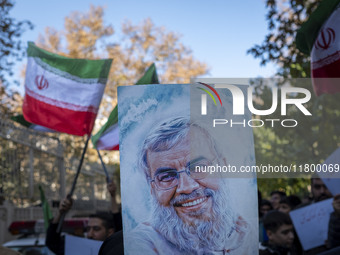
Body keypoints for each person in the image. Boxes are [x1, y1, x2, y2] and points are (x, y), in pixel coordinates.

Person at [126, 117, 254, 254]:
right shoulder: (141, 245)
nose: (187, 187)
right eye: (166, 176)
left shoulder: (246, 233)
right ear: (152, 188)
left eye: (198, 167)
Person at [46, 180, 121, 255]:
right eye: (88, 229)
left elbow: (119, 226)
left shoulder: (117, 250)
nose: (90, 234)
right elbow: (52, 242)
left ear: (110, 232)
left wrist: (113, 196)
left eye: (96, 229)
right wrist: (61, 213)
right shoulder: (79, 248)